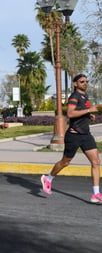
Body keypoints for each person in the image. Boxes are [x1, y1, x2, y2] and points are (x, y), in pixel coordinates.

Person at [41, 74, 102, 204]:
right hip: (74, 135)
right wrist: (88, 110)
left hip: (85, 135)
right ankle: (48, 178)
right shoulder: (74, 97)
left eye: (86, 81)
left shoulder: (85, 96)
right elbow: (70, 113)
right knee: (65, 162)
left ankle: (96, 194)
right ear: (75, 84)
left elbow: (81, 111)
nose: (85, 83)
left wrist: (89, 115)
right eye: (82, 81)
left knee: (96, 162)